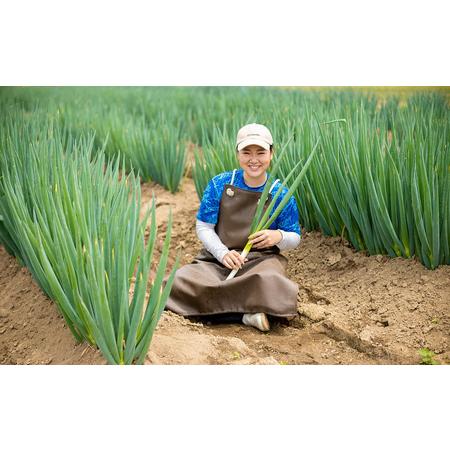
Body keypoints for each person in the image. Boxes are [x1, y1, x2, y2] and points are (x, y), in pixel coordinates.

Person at [165, 123, 301, 331]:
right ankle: (247, 313)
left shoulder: (280, 192)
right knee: (177, 280)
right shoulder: (220, 183)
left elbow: (295, 237)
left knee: (271, 282)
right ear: (237, 153)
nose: (253, 159)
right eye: (246, 152)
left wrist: (278, 236)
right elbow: (204, 227)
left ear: (271, 153)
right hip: (218, 260)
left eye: (260, 152)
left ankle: (216, 312)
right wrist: (222, 253)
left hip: (260, 262)